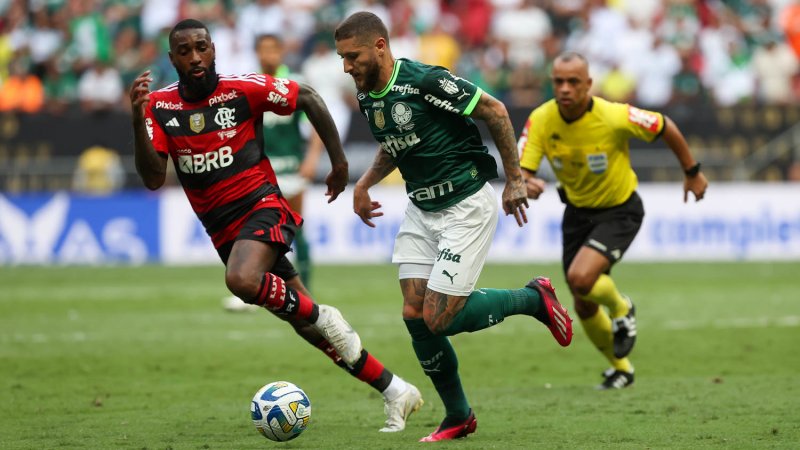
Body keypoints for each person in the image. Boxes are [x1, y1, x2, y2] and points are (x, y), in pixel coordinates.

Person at [129, 19, 422, 433]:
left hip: (262, 205)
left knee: (242, 281)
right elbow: (154, 177)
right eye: (184, 51)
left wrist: (337, 163)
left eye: (202, 47)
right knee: (305, 327)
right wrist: (136, 118)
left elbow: (311, 98)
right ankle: (395, 389)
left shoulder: (242, 88)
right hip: (222, 230)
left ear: (214, 49)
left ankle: (325, 314)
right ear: (172, 58)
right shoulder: (159, 107)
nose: (195, 57)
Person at [334, 12, 573, 442]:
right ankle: (459, 415)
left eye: (352, 57)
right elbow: (398, 143)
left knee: (440, 318)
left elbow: (495, 110)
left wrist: (515, 178)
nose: (347, 67)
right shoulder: (368, 94)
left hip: (465, 203)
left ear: (380, 47)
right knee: (414, 314)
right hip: (421, 208)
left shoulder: (424, 80)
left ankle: (533, 299)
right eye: (342, 59)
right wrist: (366, 182)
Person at [517, 52, 709, 390]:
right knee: (582, 299)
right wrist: (527, 184)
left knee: (580, 278)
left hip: (620, 210)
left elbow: (665, 126)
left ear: (589, 84)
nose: (564, 89)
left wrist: (692, 172)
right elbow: (524, 172)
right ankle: (621, 368)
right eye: (558, 81)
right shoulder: (542, 119)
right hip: (577, 214)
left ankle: (623, 308)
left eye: (573, 82)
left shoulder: (614, 116)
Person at [222, 33, 322, 312]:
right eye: (263, 50)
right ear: (256, 53)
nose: (269, 55)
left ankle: (306, 292)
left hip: (291, 168)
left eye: (273, 49)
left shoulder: (291, 83)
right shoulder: (249, 86)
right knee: (254, 231)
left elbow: (315, 122)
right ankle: (256, 289)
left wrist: (313, 158)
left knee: (295, 231)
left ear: (281, 52)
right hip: (260, 173)